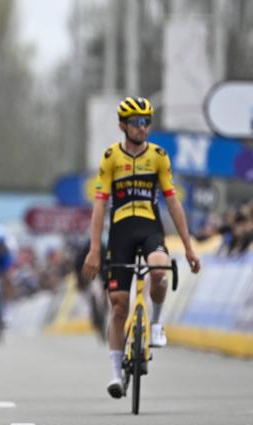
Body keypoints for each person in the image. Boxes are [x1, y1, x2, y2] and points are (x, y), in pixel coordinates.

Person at [82, 96, 201, 399]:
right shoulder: (110, 157)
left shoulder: (159, 157)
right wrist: (95, 249)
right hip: (121, 230)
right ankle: (115, 375)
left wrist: (188, 247)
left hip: (149, 227)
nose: (142, 127)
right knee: (119, 304)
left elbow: (172, 202)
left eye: (147, 122)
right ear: (123, 126)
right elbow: (100, 207)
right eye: (136, 122)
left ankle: (157, 323)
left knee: (160, 270)